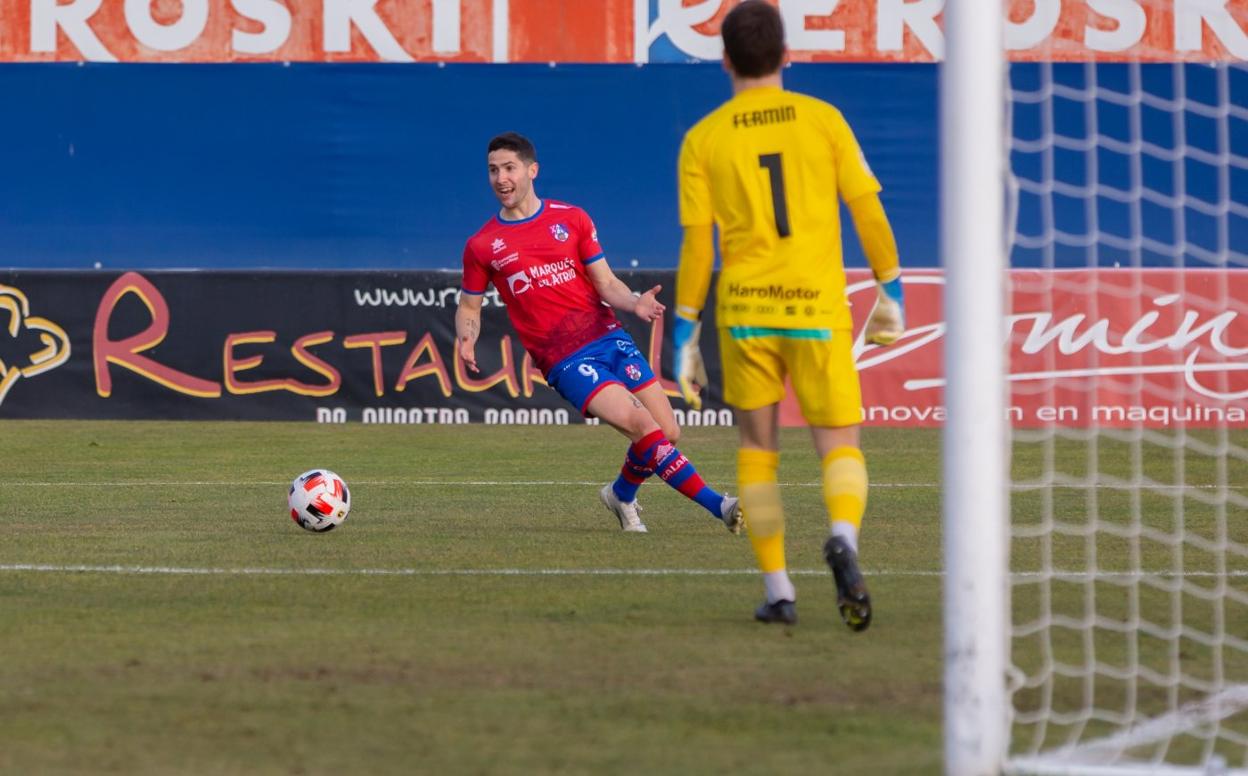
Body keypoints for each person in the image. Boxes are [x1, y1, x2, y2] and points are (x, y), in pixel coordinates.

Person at [673, 1, 906, 629]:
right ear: (786, 55)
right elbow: (868, 211)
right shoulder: (822, 120)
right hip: (816, 308)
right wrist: (892, 291)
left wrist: (684, 330)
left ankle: (780, 593)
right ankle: (842, 540)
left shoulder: (705, 139)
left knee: (757, 451)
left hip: (746, 313)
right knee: (839, 446)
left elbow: (699, 247)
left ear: (724, 60)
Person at [458, 131, 743, 535]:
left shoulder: (572, 218)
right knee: (643, 428)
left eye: (509, 168)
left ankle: (621, 495)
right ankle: (721, 505)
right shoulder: (483, 245)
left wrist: (635, 302)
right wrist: (467, 336)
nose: (500, 178)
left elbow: (606, 283)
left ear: (531, 170)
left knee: (668, 433)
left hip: (608, 336)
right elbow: (469, 306)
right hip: (564, 358)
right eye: (492, 170)